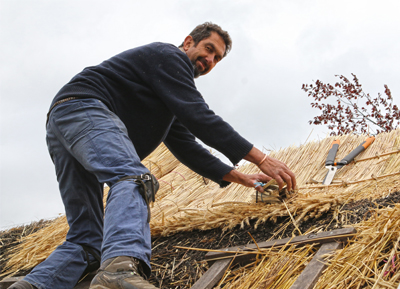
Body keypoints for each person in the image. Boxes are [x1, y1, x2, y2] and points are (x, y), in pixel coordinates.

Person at [11, 22, 296, 289]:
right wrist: (261, 158)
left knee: (87, 239)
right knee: (134, 178)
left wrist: (243, 178)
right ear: (188, 42)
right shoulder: (169, 56)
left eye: (217, 59)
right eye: (209, 49)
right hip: (86, 109)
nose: (210, 60)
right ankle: (119, 270)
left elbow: (187, 146)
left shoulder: (165, 95)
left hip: (65, 122)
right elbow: (199, 116)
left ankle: (34, 284)